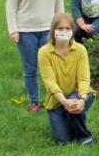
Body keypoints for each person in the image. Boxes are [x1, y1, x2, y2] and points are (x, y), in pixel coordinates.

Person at [6, 0, 64, 112]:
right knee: (30, 68)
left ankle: (53, 98)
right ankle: (34, 101)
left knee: (51, 66)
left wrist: (61, 27)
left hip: (49, 29)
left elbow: (59, 3)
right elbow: (10, 6)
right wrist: (13, 29)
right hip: (26, 31)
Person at [38, 13, 95, 145]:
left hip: (80, 94)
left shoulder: (80, 50)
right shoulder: (44, 52)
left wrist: (82, 99)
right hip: (57, 100)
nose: (64, 32)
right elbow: (49, 81)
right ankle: (69, 117)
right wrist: (64, 101)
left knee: (75, 104)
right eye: (60, 29)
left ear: (72, 30)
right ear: (53, 31)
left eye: (68, 29)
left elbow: (84, 78)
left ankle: (84, 137)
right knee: (63, 140)